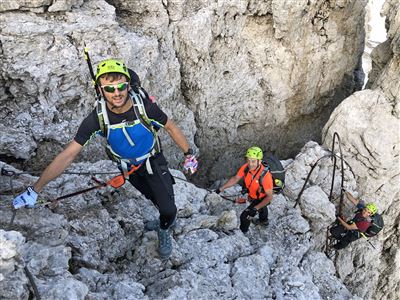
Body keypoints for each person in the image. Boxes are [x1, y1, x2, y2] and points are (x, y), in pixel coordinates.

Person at [12, 59, 197, 259]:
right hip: (128, 168)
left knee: (169, 207)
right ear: (101, 90)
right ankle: (165, 218)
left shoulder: (144, 108)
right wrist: (35, 190)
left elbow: (171, 127)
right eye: (109, 88)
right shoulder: (97, 119)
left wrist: (188, 154)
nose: (116, 93)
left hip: (154, 161)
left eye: (121, 87)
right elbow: (68, 154)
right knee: (155, 199)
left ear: (128, 85)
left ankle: (164, 227)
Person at [216, 146, 273, 233]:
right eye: (248, 160)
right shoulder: (246, 167)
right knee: (262, 208)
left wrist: (255, 208)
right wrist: (220, 189)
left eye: (253, 161)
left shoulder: (265, 177)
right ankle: (264, 221)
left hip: (262, 197)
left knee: (244, 216)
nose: (250, 163)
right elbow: (235, 178)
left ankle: (243, 233)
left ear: (259, 161)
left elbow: (269, 197)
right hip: (253, 195)